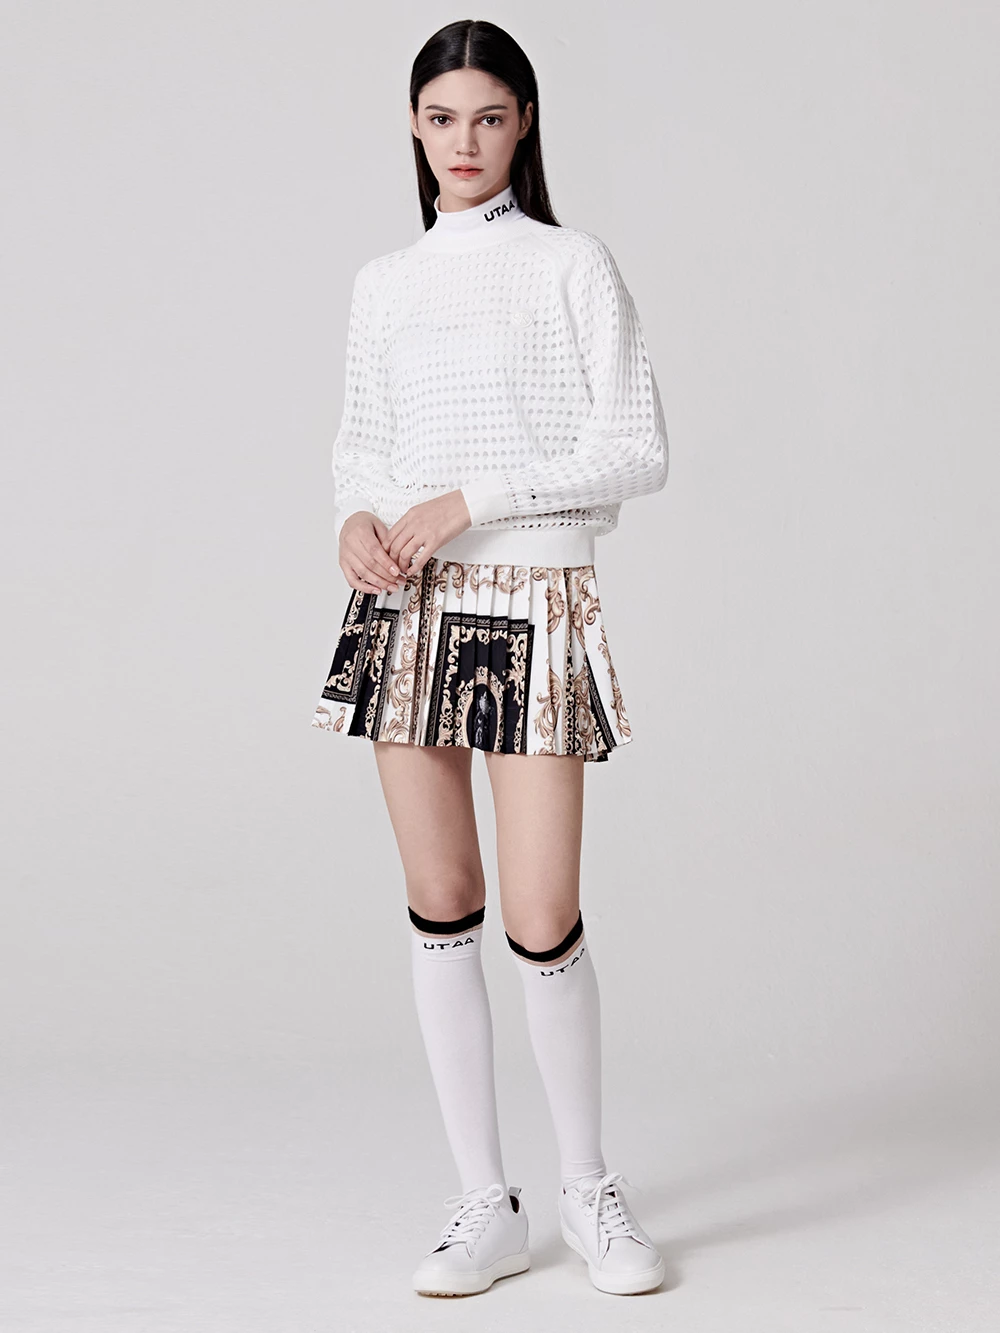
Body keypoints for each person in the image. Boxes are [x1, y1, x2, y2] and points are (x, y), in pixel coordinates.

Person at [310, 18, 669, 1298]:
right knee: (440, 900)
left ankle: (587, 1189)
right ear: (414, 128)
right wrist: (355, 519)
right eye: (440, 118)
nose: (463, 142)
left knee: (540, 913)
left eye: (488, 117)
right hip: (404, 605)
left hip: (532, 595)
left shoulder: (571, 263)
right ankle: (485, 1202)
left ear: (524, 125)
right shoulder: (384, 281)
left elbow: (634, 448)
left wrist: (472, 498)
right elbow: (361, 444)